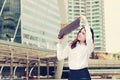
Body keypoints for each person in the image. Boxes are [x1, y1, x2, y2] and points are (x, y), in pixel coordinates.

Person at [57, 15, 94, 80]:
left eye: (83, 33)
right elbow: (60, 57)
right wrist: (59, 43)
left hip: (83, 74)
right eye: (80, 32)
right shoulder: (71, 45)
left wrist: (85, 21)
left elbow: (89, 37)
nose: (80, 34)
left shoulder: (89, 46)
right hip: (72, 74)